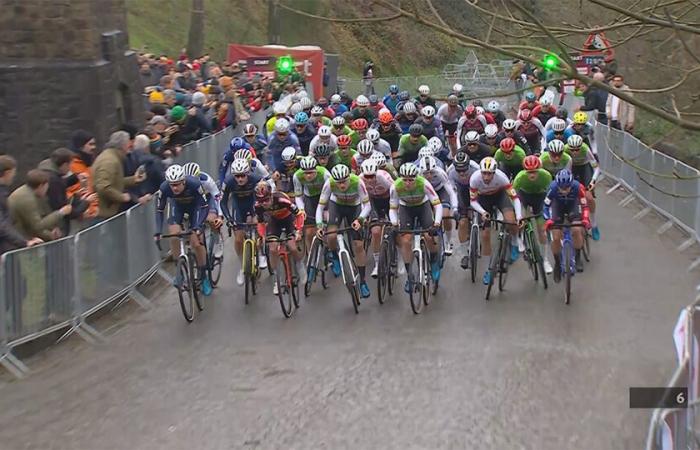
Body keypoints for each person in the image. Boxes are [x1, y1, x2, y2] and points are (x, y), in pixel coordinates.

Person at [154, 164, 213, 296]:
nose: (174, 188)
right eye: (172, 185)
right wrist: (157, 231)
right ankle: (179, 273)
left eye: (177, 184)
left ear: (184, 181)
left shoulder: (194, 184)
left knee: (196, 242)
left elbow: (204, 206)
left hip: (196, 208)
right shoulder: (164, 188)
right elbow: (159, 210)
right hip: (177, 208)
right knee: (174, 235)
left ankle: (203, 278)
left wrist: (197, 226)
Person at [316, 164, 372, 298]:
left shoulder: (357, 182)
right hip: (337, 206)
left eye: (344, 182)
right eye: (338, 183)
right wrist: (319, 225)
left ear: (349, 178)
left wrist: (360, 220)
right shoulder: (329, 183)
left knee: (358, 245)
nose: (341, 185)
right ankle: (334, 257)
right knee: (331, 235)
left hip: (354, 207)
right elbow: (320, 206)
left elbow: (367, 205)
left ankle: (363, 281)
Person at [389, 163, 443, 292]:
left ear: (416, 177)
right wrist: (395, 224)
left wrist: (436, 224)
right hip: (405, 209)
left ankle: (434, 261)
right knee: (406, 240)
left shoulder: (424, 184)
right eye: (405, 180)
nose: (407, 183)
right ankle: (410, 276)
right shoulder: (395, 186)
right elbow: (393, 208)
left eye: (411, 180)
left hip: (422, 206)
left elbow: (437, 205)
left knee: (429, 236)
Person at [469, 157, 523, 285]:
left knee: (510, 220)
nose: (486, 177)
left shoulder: (501, 177)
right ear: (480, 171)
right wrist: (482, 212)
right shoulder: (475, 179)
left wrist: (519, 216)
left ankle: (515, 243)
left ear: (494, 173)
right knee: (485, 235)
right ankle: (489, 268)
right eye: (484, 173)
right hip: (483, 200)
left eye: (490, 174)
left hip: (500, 196)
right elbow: (473, 201)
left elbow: (515, 198)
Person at [221, 159, 267, 285]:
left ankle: (261, 252)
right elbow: (223, 202)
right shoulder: (228, 182)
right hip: (238, 206)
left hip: (253, 202)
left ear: (248, 174)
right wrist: (229, 219)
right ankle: (242, 266)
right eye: (237, 176)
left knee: (257, 224)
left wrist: (262, 216)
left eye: (242, 176)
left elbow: (265, 198)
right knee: (238, 239)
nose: (240, 179)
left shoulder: (256, 179)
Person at [255, 181, 305, 296]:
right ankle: (277, 280)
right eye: (261, 201)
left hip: (288, 219)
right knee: (272, 249)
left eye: (266, 200)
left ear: (271, 195)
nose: (264, 204)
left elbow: (299, 214)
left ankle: (299, 264)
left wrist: (299, 230)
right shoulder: (258, 206)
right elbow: (261, 223)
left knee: (292, 247)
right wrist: (262, 236)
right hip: (274, 221)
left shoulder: (282, 200)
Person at [543, 169, 591, 280]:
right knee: (555, 237)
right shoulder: (552, 188)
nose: (564, 191)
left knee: (576, 230)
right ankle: (557, 263)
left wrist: (585, 219)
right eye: (561, 188)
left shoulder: (578, 187)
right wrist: (548, 220)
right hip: (557, 207)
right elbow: (545, 207)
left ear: (571, 184)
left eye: (567, 188)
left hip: (573, 206)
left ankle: (578, 257)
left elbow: (584, 206)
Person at [92, 131, 148, 221]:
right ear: (123, 145)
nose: (130, 147)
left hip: (110, 211)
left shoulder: (113, 158)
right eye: (128, 144)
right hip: (107, 213)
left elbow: (115, 181)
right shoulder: (109, 161)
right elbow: (103, 186)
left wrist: (134, 179)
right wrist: (121, 197)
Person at [512, 155, 553, 273]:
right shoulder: (519, 177)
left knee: (542, 230)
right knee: (522, 217)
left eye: (534, 171)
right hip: (524, 196)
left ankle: (545, 260)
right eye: (529, 172)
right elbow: (514, 197)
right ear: (525, 171)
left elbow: (551, 195)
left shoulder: (546, 176)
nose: (532, 175)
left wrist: (549, 211)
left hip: (540, 198)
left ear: (539, 169)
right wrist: (519, 215)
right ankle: (519, 238)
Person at [8, 169, 73, 242]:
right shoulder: (26, 199)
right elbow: (37, 226)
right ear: (41, 186)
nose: (46, 190)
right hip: (19, 240)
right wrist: (60, 213)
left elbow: (34, 225)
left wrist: (50, 235)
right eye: (46, 187)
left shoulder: (28, 193)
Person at [37, 148, 88, 236]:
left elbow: (59, 187)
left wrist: (75, 178)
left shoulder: (47, 172)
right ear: (64, 164)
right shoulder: (54, 180)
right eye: (70, 166)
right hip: (57, 228)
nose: (70, 169)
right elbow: (64, 210)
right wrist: (86, 202)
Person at [0, 156, 43, 253]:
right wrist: (24, 242)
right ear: (7, 173)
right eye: (13, 173)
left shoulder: (3, 193)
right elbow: (2, 225)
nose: (13, 177)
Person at [565, 135, 601, 240]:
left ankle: (594, 225)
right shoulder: (566, 149)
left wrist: (593, 181)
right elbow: (566, 169)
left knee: (589, 197)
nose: (575, 152)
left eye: (577, 149)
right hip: (572, 168)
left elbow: (596, 167)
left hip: (584, 168)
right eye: (573, 150)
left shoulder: (585, 149)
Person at [293, 156, 330, 251]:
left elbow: (332, 192)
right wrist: (301, 209)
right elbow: (298, 196)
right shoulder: (297, 176)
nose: (308, 176)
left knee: (328, 222)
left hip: (325, 196)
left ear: (316, 170)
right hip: (310, 198)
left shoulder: (324, 173)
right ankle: (311, 257)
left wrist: (328, 209)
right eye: (306, 173)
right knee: (309, 232)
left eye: (311, 172)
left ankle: (331, 248)